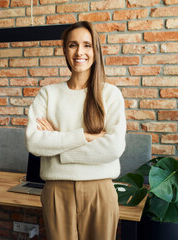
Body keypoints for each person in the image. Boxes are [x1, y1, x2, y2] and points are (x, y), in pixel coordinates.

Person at [26, 21, 126, 240]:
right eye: (73, 45)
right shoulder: (48, 94)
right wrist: (85, 137)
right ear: (65, 50)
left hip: (100, 192)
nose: (80, 51)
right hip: (56, 192)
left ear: (95, 50)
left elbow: (113, 148)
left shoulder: (110, 94)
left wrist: (57, 146)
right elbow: (34, 143)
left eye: (87, 45)